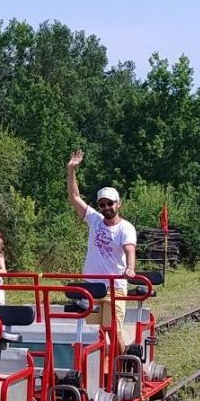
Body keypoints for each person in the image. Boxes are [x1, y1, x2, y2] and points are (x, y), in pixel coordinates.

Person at [65, 149, 137, 348]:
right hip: (92, 285)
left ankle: (121, 363)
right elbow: (74, 196)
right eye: (102, 204)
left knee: (114, 331)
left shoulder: (125, 228)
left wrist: (130, 268)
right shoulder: (95, 220)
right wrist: (71, 170)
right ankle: (99, 364)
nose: (106, 207)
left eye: (110, 204)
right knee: (93, 334)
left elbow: (130, 250)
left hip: (114, 287)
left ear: (118, 204)